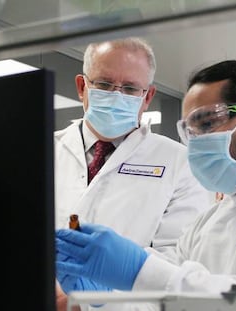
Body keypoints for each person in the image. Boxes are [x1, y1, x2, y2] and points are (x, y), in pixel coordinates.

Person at [56, 60, 236, 301]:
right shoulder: (209, 221)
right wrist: (100, 301)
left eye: (206, 124)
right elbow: (164, 303)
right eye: (189, 131)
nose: (195, 143)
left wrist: (141, 271)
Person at [54, 38, 210, 309]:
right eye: (104, 84)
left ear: (147, 96)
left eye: (129, 88)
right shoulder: (41, 150)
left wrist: (92, 304)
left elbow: (176, 261)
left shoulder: (181, 163)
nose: (116, 95)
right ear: (82, 87)